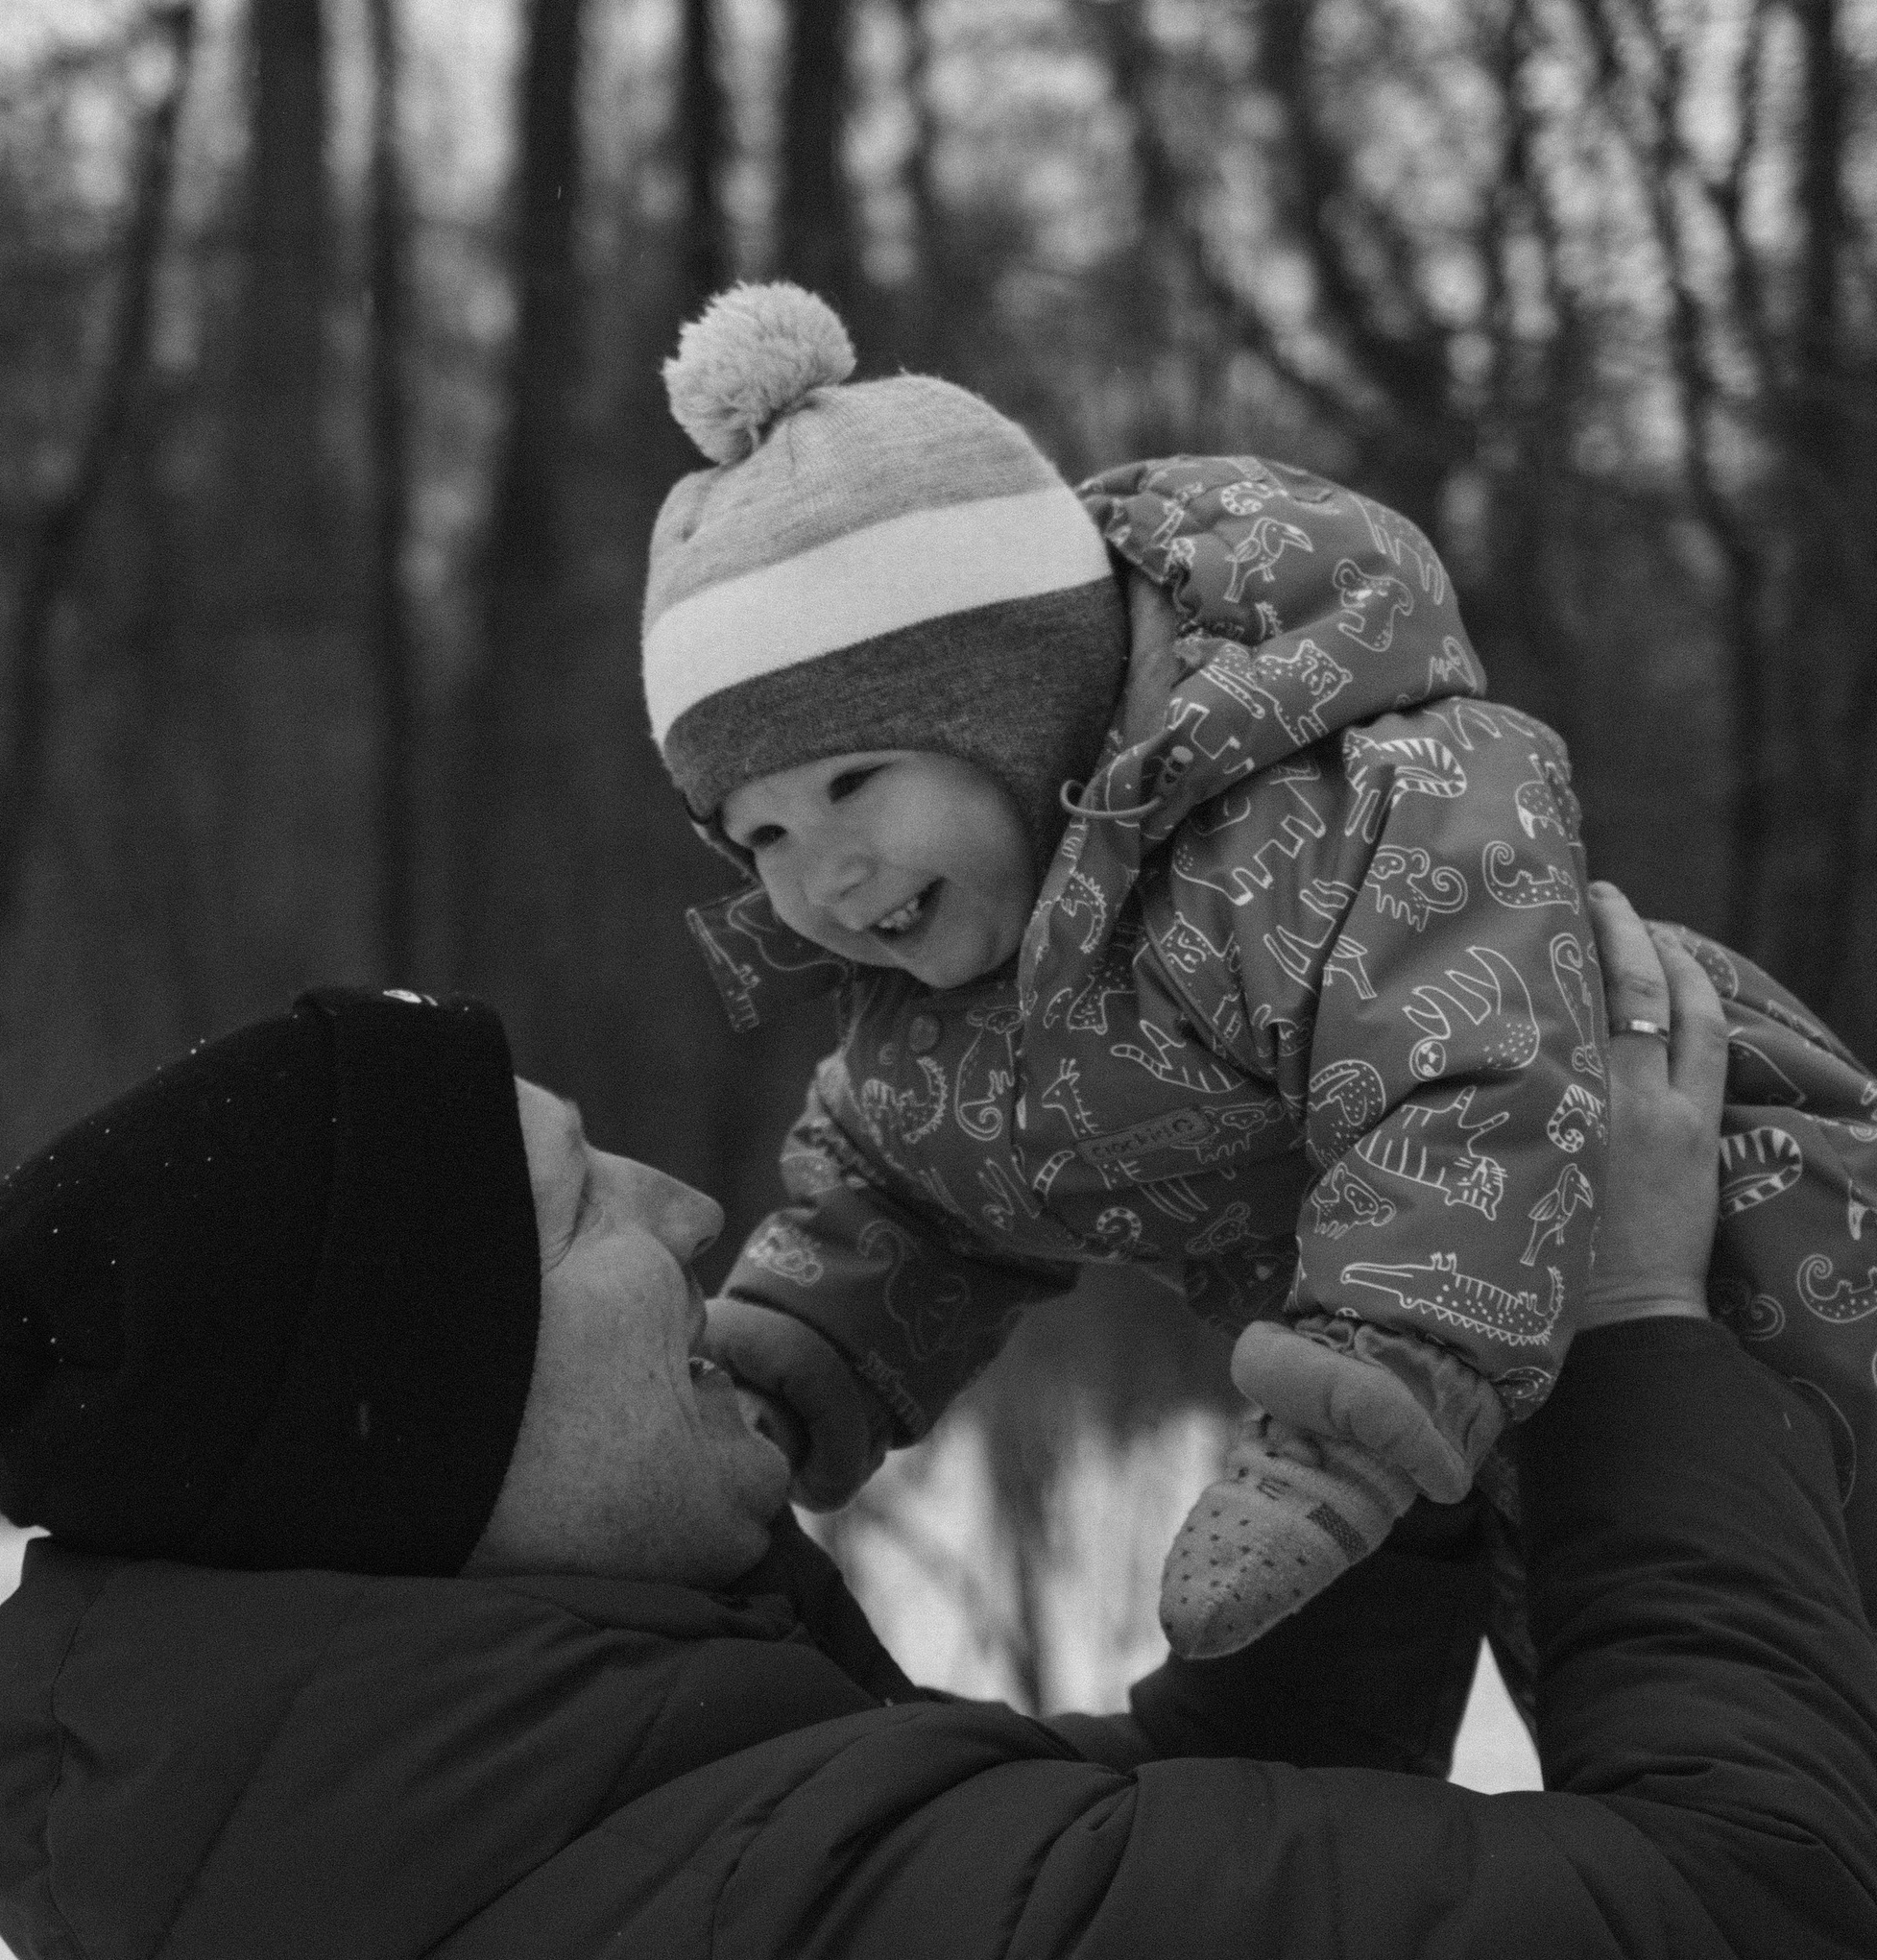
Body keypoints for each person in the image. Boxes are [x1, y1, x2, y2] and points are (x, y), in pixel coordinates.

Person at [0, 902, 1877, 1960]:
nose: (685, 1212)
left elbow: (1203, 1910)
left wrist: (1392, 1428)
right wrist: (1626, 1318)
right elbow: (1771, 1940)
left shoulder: (533, 1907)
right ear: (438, 1429)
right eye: (581, 1206)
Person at [643, 283, 1877, 1681]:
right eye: (759, 836)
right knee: (1712, 1728)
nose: (821, 876)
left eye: (854, 780)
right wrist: (768, 1382)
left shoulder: (1322, 807)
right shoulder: (944, 1008)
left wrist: (1349, 1416)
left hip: (1766, 1232)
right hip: (1535, 1410)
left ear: (1014, 705)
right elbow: (891, 1201)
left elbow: (1463, 1075)